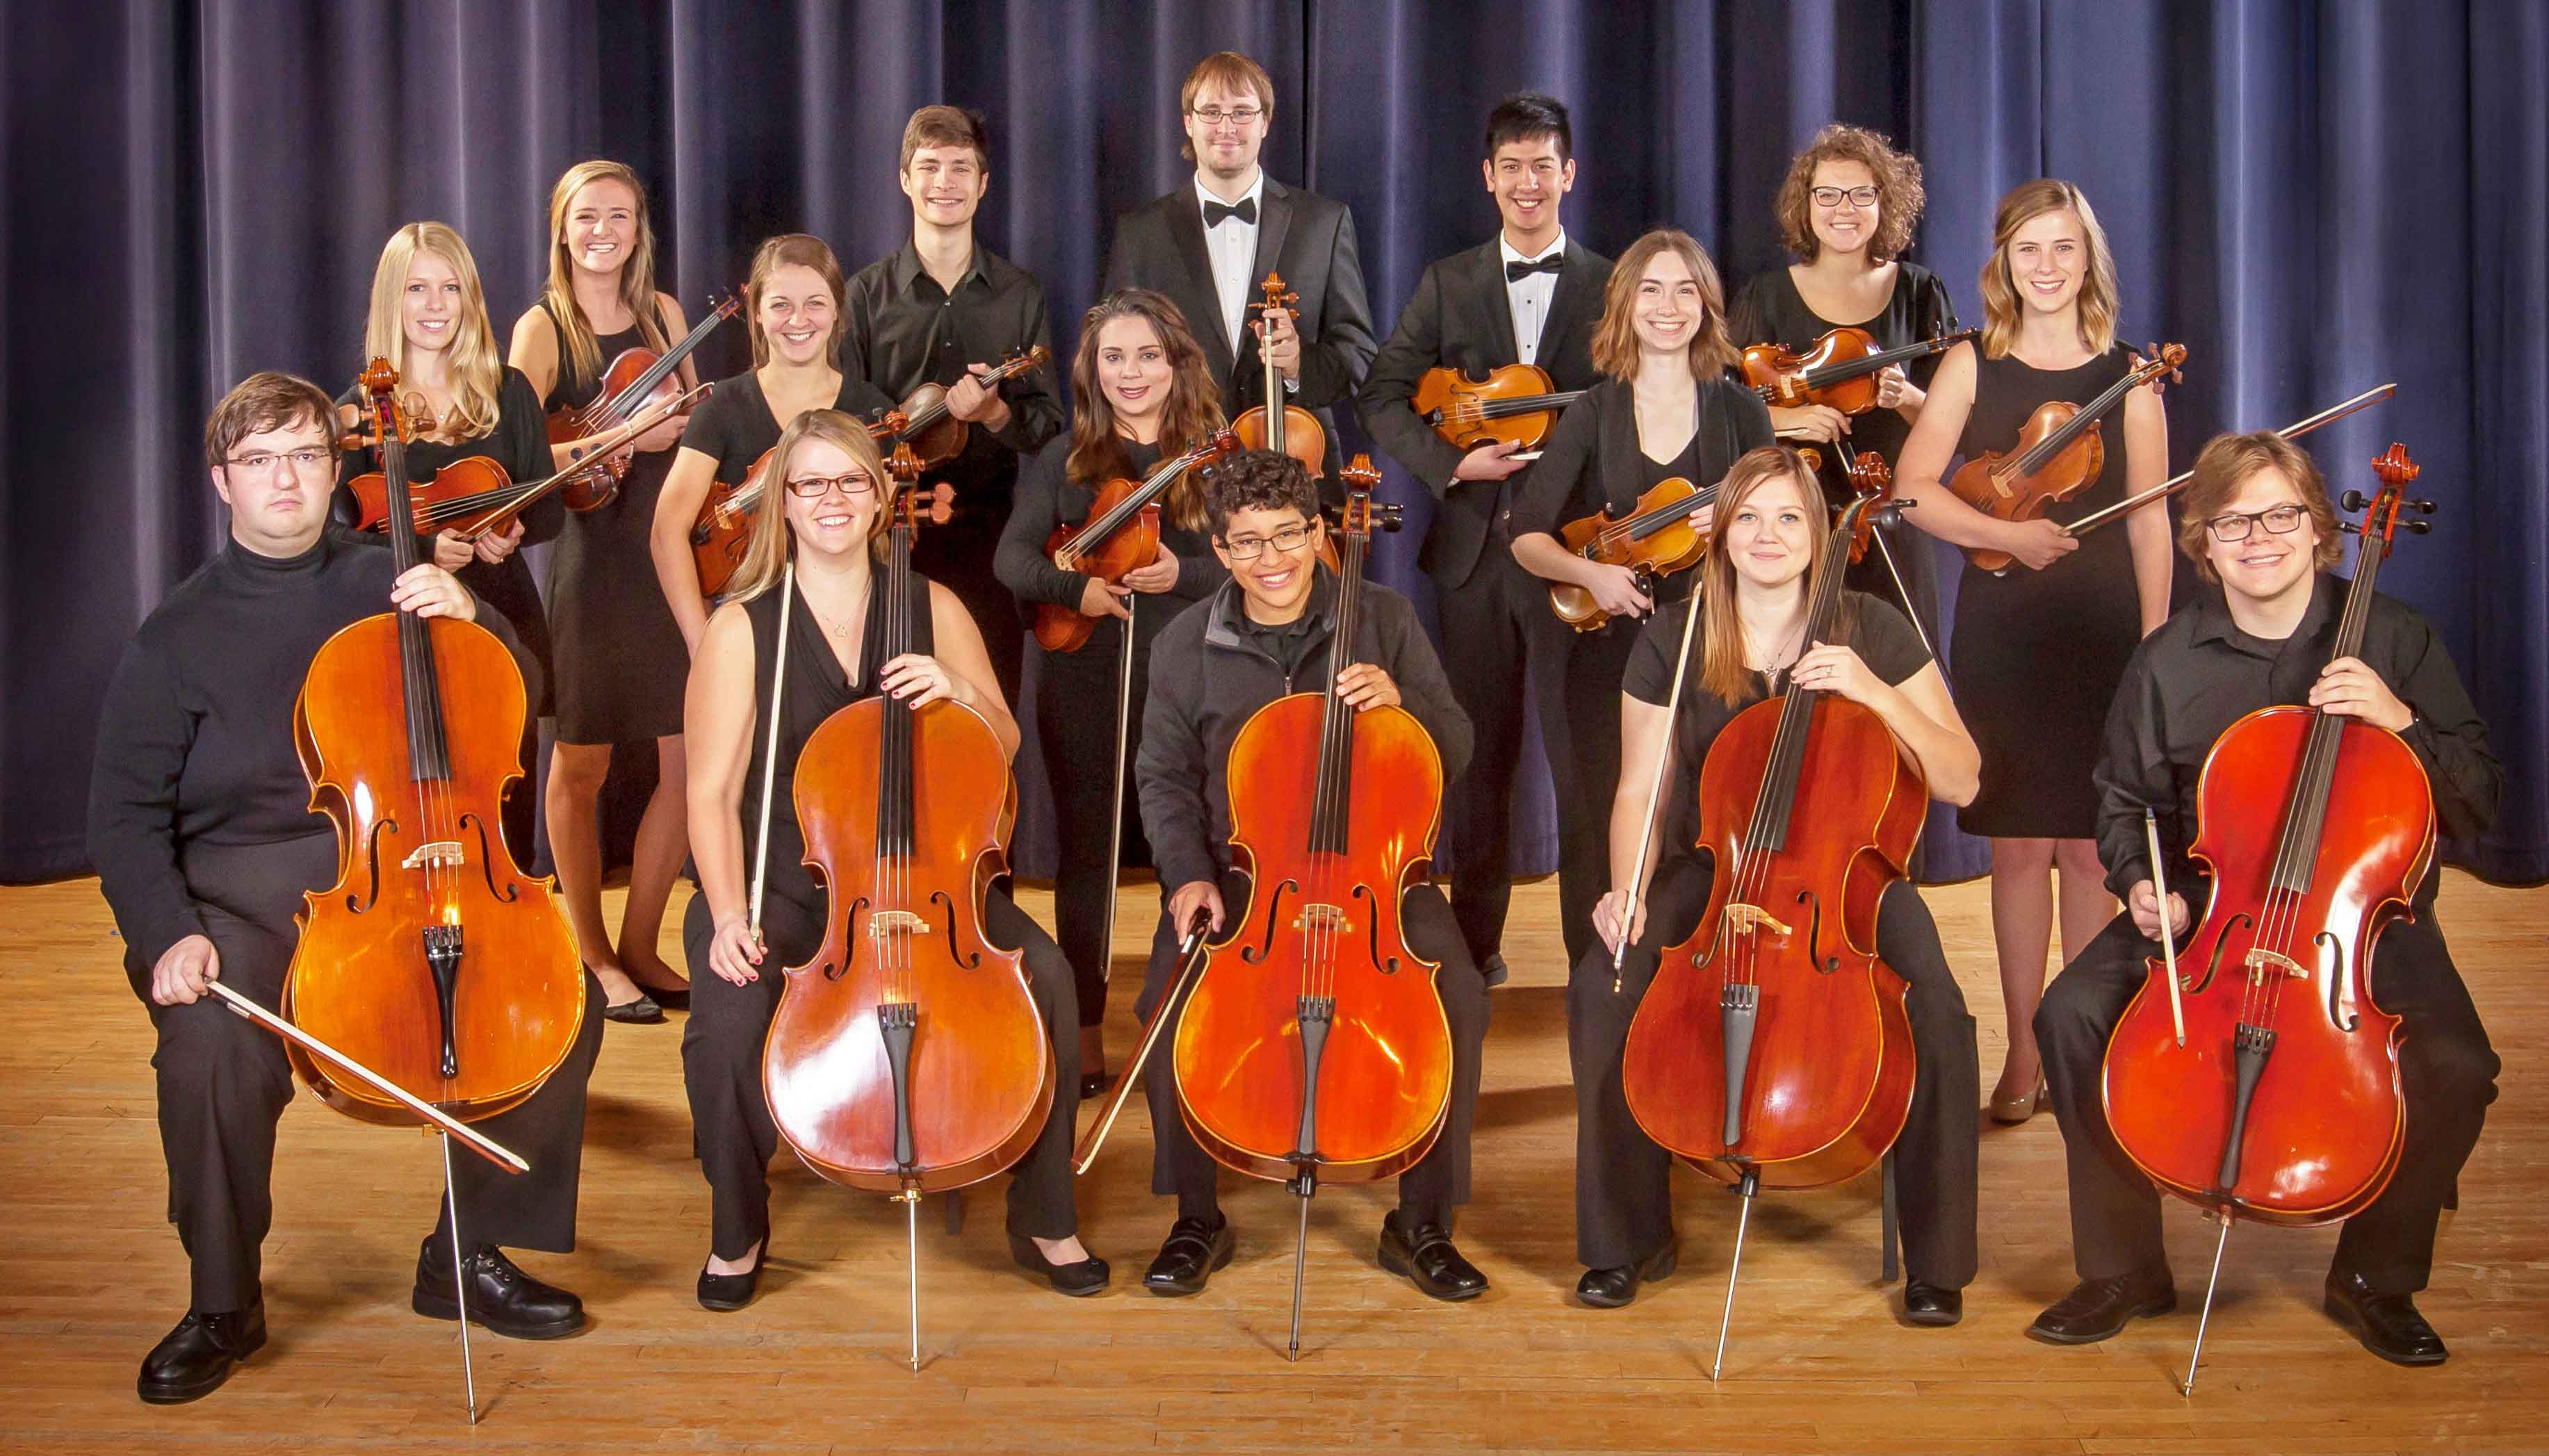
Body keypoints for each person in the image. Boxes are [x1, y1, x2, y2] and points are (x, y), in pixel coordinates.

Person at [89, 373, 605, 1405]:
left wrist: (475, 614)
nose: (285, 478)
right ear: (222, 481)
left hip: (406, 875)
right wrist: (168, 934)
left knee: (562, 1003)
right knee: (209, 1049)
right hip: (245, 904)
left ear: (339, 470)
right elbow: (124, 817)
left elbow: (518, 696)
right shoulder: (175, 634)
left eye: (306, 455)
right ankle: (223, 1298)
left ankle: (466, 1250)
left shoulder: (394, 578)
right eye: (260, 460)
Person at [2028, 430, 2500, 1366]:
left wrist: (2397, 720)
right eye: (2232, 521)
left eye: (2279, 514)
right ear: (2202, 541)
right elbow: (2121, 802)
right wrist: (2139, 884)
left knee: (2456, 1064)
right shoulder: (2165, 660)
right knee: (2068, 1013)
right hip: (2213, 913)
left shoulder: (2393, 637)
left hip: (2358, 925)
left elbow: (2478, 800)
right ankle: (2124, 1268)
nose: (2258, 537)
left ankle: (2374, 1277)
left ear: (2319, 527)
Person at [678, 409, 1102, 1311]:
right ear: (783, 501)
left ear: (878, 497)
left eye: (849, 481)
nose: (830, 499)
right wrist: (725, 915)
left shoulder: (932, 607)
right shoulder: (744, 627)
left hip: (929, 876)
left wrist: (959, 690)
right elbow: (710, 794)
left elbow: (1001, 740)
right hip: (784, 882)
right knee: (726, 1017)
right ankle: (737, 1225)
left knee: (1051, 979)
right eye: (811, 483)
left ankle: (1044, 1215)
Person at [1565, 444, 1980, 1318]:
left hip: (1847, 873)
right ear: (1719, 532)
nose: (1767, 534)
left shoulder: (1870, 628)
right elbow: (1641, 789)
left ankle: (1936, 1263)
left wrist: (1875, 692)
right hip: (1716, 867)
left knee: (1938, 1011)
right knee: (1606, 984)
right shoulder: (1676, 636)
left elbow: (1960, 779)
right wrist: (1626, 887)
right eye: (1748, 516)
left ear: (1820, 533)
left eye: (1789, 516)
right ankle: (1626, 1239)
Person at [1130, 449, 1491, 1302]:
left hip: (1377, 873)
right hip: (1244, 875)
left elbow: (1457, 747)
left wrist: (1405, 705)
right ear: (1220, 550)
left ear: (1320, 532)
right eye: (1248, 542)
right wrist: (1187, 878)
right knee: (1165, 1000)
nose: (1272, 558)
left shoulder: (1384, 618)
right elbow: (1164, 779)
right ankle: (1195, 1214)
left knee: (1459, 997)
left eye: (1288, 535)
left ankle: (1422, 1221)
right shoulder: (1185, 643)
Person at [1889, 180, 2172, 1121]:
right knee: (2016, 852)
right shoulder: (1970, 361)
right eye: (2027, 250)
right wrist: (2008, 537)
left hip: (2101, 634)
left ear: (2087, 259)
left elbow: (2148, 525)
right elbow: (1913, 490)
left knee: (2091, 853)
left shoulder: (2131, 376)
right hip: (2003, 632)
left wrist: (2153, 650)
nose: (2045, 267)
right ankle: (2020, 1052)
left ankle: (2073, 1047)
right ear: (2003, 262)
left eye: (2062, 248)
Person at [1355, 92, 1613, 989]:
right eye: (1511, 167)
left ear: (1568, 174)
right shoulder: (1447, 281)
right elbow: (1382, 394)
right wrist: (1450, 465)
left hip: (1575, 554)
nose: (1527, 182)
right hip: (1470, 558)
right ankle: (1473, 947)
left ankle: (1592, 953)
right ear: (1487, 177)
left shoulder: (1613, 284)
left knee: (1583, 764)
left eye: (1543, 165)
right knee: (1475, 757)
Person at [1508, 229, 1773, 967]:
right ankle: (1600, 974)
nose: (1668, 306)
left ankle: (1701, 970)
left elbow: (1784, 525)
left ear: (1706, 306)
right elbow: (1526, 536)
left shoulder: (1740, 411)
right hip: (1601, 651)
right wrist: (1593, 575)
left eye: (1686, 290)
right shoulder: (1594, 410)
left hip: (1716, 646)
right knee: (1597, 811)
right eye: (1651, 290)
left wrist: (1735, 522)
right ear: (1625, 303)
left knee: (1708, 808)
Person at [993, 289, 1229, 1097]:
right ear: (1092, 369)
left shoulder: (1211, 456)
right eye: (1114, 357)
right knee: (1087, 855)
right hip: (1084, 677)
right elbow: (1012, 560)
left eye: (1148, 355)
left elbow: (1260, 561)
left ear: (1177, 363)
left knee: (1190, 845)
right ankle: (1085, 1028)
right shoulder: (1063, 458)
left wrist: (1184, 572)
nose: (1131, 372)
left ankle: (1189, 1015)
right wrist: (1078, 588)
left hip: (1193, 681)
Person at [336, 222, 596, 882]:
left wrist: (511, 530)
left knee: (502, 801)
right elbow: (339, 536)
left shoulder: (506, 391)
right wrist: (424, 548)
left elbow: (545, 508)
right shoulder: (360, 410)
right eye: (417, 288)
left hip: (500, 617)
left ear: (470, 297)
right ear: (391, 298)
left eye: (451, 288)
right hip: (399, 630)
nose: (435, 305)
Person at [507, 160, 699, 1022]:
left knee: (688, 760)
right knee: (580, 764)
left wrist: (679, 427)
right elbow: (513, 458)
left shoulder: (664, 314)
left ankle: (642, 944)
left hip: (668, 556)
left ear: (638, 229)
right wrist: (613, 440)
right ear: (562, 227)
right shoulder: (543, 328)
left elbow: (695, 427)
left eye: (619, 215)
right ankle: (591, 954)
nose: (602, 231)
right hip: (592, 566)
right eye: (587, 216)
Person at [842, 105, 1065, 706]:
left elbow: (1049, 428)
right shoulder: (863, 295)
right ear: (904, 179)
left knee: (988, 708)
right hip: (885, 538)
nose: (945, 182)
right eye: (929, 166)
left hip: (988, 541)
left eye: (961, 167)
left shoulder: (1019, 293)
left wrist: (994, 415)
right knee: (883, 707)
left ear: (983, 183)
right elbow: (840, 426)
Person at [1101, 49, 1375, 484]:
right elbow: (1113, 362)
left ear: (1265, 122)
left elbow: (1359, 358)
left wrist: (1297, 365)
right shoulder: (1141, 232)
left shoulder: (1324, 223)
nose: (1226, 127)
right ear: (1188, 122)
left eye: (1242, 112)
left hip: (1292, 466)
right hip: (1178, 470)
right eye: (1211, 112)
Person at [1727, 122, 1958, 635]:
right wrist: (1790, 419)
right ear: (1806, 204)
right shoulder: (1766, 296)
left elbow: (1953, 424)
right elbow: (1723, 409)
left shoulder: (1919, 292)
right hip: (1794, 521)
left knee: (1902, 656)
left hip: (1891, 515)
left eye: (1860, 194)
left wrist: (1906, 396)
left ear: (1884, 201)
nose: (1843, 209)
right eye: (1827, 194)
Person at [651, 234, 897, 655]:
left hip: (851, 622)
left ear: (837, 311)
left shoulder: (873, 410)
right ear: (758, 314)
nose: (798, 320)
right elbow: (667, 531)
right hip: (746, 620)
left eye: (815, 303)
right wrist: (701, 643)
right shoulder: (722, 407)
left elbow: (881, 532)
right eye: (781, 305)